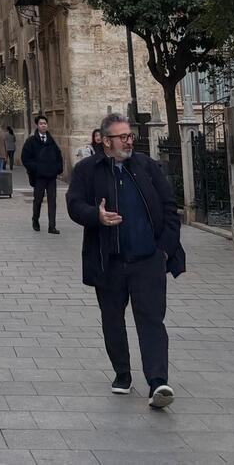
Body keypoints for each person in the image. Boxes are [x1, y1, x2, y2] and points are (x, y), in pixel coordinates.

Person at [66, 111, 184, 410]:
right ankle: (122, 372)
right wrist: (96, 215)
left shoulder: (146, 166)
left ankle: (158, 382)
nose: (129, 141)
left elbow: (170, 206)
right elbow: (74, 204)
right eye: (123, 137)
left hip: (148, 260)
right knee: (112, 320)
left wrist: (164, 251)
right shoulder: (87, 170)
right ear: (106, 141)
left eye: (130, 136)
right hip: (109, 261)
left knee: (152, 320)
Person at [20, 115, 65, 234]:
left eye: (45, 123)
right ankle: (35, 220)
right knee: (38, 200)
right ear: (37, 125)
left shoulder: (51, 141)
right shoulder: (31, 141)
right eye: (41, 123)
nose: (43, 125)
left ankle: (52, 226)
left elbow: (58, 156)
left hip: (51, 176)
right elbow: (25, 158)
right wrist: (36, 168)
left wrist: (58, 169)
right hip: (39, 177)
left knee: (52, 201)